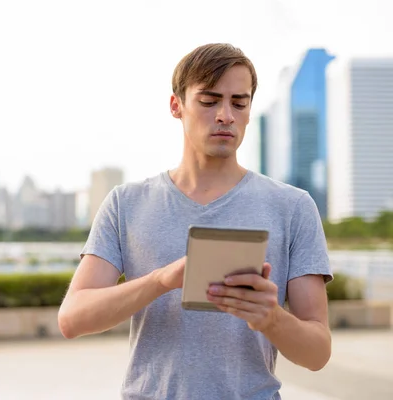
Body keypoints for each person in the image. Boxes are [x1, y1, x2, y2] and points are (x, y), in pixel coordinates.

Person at [57, 43, 333, 400]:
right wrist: (161, 280)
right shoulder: (126, 203)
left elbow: (318, 353)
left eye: (239, 102)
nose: (225, 115)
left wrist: (271, 318)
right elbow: (72, 319)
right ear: (177, 106)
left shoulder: (293, 206)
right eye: (209, 101)